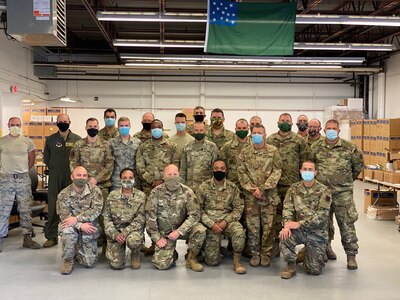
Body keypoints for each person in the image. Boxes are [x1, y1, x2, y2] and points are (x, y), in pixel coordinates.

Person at [309, 119, 364, 270]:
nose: (331, 130)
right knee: (323, 224)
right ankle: (326, 248)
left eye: (334, 128)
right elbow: (311, 166)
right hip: (322, 193)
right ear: (324, 131)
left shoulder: (349, 147)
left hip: (343, 193)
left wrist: (345, 181)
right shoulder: (316, 147)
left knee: (346, 224)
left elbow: (358, 166)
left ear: (339, 131)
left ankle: (351, 256)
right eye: (329, 128)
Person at [146, 164, 206, 271]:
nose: (172, 177)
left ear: (179, 175)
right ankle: (172, 253)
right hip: (165, 233)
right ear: (163, 176)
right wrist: (157, 238)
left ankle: (192, 258)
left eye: (175, 174)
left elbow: (195, 215)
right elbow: (150, 217)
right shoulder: (155, 192)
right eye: (169, 174)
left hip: (183, 229)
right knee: (161, 265)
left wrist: (179, 231)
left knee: (200, 230)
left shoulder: (187, 192)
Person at [237, 125, 282, 267]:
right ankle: (255, 253)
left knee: (268, 227)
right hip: (251, 198)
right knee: (253, 227)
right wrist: (253, 189)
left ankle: (266, 254)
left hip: (268, 196)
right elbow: (241, 173)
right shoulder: (245, 152)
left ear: (265, 134)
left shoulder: (273, 151)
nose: (257, 135)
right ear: (251, 135)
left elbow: (277, 171)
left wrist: (262, 188)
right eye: (254, 133)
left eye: (260, 133)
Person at [266, 113, 309, 257]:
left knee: (295, 217)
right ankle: (277, 246)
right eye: (282, 120)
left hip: (293, 186)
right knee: (275, 218)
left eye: (287, 121)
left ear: (291, 123)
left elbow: (305, 161)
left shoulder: (299, 140)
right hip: (275, 186)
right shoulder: (270, 139)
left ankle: (300, 247)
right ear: (278, 122)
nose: (284, 122)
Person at [280, 161, 332, 279]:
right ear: (300, 171)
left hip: (317, 232)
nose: (307, 172)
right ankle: (291, 266)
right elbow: (287, 208)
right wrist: (287, 226)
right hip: (299, 230)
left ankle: (307, 254)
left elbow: (322, 216)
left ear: (315, 172)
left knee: (314, 270)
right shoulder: (294, 188)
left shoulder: (324, 191)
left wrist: (299, 223)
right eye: (305, 169)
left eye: (310, 170)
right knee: (284, 235)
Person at [198, 159, 246, 274]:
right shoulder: (203, 187)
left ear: (226, 170)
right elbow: (197, 209)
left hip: (227, 221)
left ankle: (237, 260)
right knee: (212, 262)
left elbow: (238, 208)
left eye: (222, 168)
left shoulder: (233, 188)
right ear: (212, 170)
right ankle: (211, 249)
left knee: (239, 232)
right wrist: (211, 223)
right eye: (216, 168)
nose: (219, 171)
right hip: (210, 223)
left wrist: (226, 221)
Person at [0, 117, 41, 252]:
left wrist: (22, 171)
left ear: (21, 126)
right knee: (3, 210)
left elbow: (31, 159)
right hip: (6, 179)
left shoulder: (27, 142)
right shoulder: (2, 141)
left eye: (17, 125)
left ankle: (27, 237)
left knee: (25, 209)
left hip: (23, 179)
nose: (15, 127)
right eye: (12, 124)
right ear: (8, 125)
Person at [42, 113, 81, 248]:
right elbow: (46, 158)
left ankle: (76, 236)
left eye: (65, 121)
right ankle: (51, 236)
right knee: (53, 206)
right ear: (56, 123)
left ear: (70, 122)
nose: (63, 123)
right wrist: (55, 168)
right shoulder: (51, 139)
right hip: (55, 177)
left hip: (72, 178)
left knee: (74, 206)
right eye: (60, 121)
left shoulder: (77, 139)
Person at [57, 166, 103, 275]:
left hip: (89, 225)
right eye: (78, 175)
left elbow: (96, 210)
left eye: (84, 175)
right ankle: (68, 260)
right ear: (72, 177)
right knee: (67, 231)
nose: (82, 178)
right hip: (71, 226)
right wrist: (79, 225)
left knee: (89, 263)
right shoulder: (63, 194)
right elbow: (64, 217)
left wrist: (77, 219)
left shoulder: (95, 191)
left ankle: (78, 249)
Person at [103, 168, 146, 270]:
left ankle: (135, 254)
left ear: (134, 179)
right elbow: (106, 218)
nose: (127, 180)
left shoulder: (141, 196)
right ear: (120, 179)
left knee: (133, 241)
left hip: (132, 230)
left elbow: (141, 218)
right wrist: (115, 234)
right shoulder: (112, 196)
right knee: (116, 265)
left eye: (130, 178)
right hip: (116, 231)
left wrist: (125, 232)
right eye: (124, 178)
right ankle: (118, 250)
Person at [69, 117, 114, 200]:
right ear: (86, 128)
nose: (92, 128)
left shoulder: (106, 145)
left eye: (95, 127)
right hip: (82, 185)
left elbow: (109, 165)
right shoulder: (78, 145)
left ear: (98, 128)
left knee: (102, 210)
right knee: (84, 210)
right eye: (90, 127)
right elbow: (73, 163)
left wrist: (96, 179)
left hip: (102, 185)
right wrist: (83, 178)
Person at [136, 119, 180, 196]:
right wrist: (151, 180)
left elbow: (176, 165)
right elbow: (140, 167)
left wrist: (163, 180)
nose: (156, 129)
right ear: (150, 130)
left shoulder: (172, 146)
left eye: (159, 127)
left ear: (163, 129)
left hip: (168, 186)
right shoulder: (143, 147)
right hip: (147, 187)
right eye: (154, 127)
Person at [180, 122, 219, 191]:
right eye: (196, 130)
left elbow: (215, 168)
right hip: (190, 188)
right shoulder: (187, 147)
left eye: (201, 130)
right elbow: (183, 169)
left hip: (206, 188)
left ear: (205, 131)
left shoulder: (212, 147)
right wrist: (182, 187)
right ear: (192, 131)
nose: (199, 132)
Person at [109, 117, 141, 191]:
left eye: (126, 125)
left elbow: (139, 163)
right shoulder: (111, 143)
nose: (124, 128)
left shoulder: (137, 142)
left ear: (130, 126)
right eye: (122, 126)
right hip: (117, 182)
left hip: (133, 182)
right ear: (118, 127)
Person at [220, 118, 251, 187]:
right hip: (233, 184)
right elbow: (223, 166)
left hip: (249, 184)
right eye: (239, 128)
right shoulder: (227, 146)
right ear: (235, 129)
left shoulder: (253, 145)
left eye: (244, 128)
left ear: (248, 129)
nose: (242, 130)